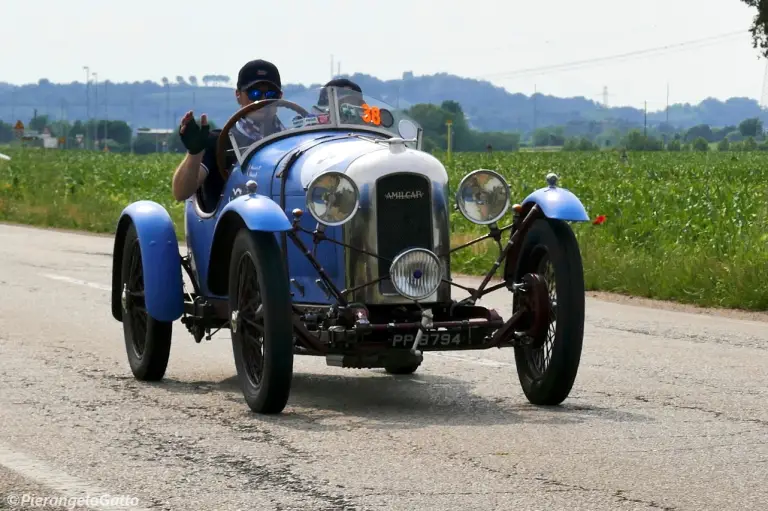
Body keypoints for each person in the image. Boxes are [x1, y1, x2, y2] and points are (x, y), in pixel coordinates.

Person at [171, 59, 284, 210]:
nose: (263, 100)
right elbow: (181, 193)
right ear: (238, 95)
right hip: (229, 227)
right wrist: (195, 152)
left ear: (280, 97)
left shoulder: (292, 142)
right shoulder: (218, 141)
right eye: (254, 93)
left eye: (271, 94)